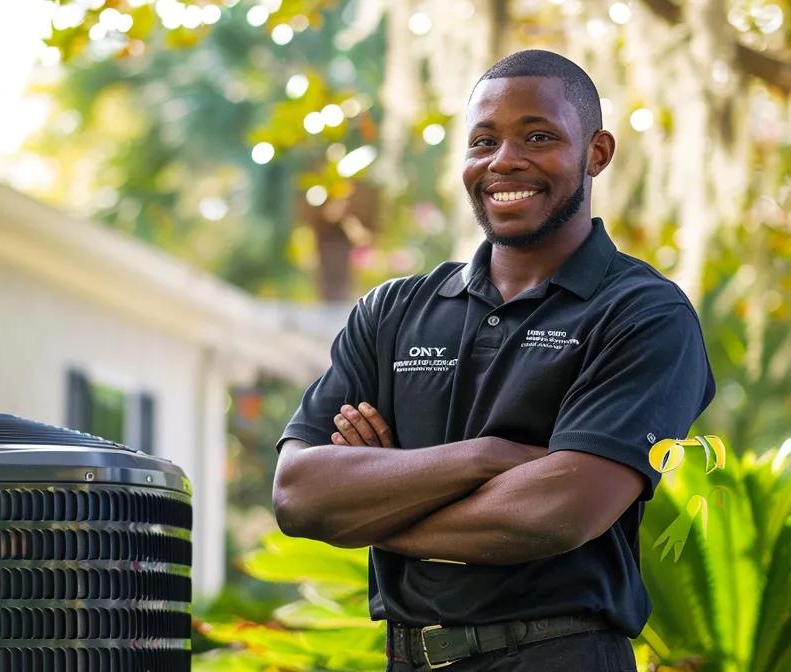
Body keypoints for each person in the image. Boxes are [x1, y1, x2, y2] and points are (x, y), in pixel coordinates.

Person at [271, 49, 716, 671]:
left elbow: (557, 513)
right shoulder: (394, 311)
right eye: (484, 141)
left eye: (538, 136)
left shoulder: (642, 314)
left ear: (597, 152)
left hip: (557, 656)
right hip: (406, 656)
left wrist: (372, 506)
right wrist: (488, 458)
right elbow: (298, 494)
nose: (505, 160)